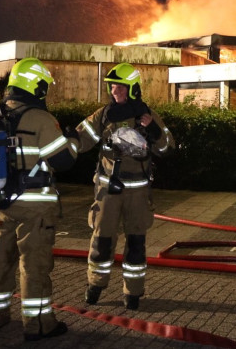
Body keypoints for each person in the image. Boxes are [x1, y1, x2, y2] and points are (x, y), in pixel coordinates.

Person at [0, 58, 79, 341]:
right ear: (36, 85)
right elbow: (64, 160)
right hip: (36, 210)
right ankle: (39, 325)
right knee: (35, 266)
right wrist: (70, 140)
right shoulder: (41, 119)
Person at [75, 63, 174, 310]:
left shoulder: (146, 115)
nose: (115, 89)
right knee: (102, 240)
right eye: (112, 85)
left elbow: (167, 148)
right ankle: (95, 285)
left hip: (137, 193)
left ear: (133, 89)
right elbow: (80, 139)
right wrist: (61, 143)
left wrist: (152, 129)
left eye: (120, 85)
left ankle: (133, 293)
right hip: (108, 191)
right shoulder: (104, 115)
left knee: (136, 244)